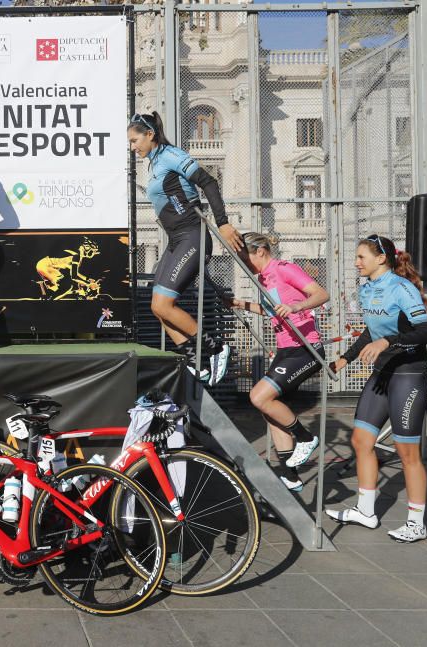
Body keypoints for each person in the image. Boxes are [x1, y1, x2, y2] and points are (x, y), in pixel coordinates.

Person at [326, 234, 427, 543]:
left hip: (407, 376)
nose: (356, 262)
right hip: (381, 374)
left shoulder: (402, 289)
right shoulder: (367, 288)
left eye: (361, 257)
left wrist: (388, 341)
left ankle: (416, 523)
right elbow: (371, 333)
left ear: (380, 259)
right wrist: (343, 360)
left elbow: (425, 332)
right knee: (361, 440)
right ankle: (366, 510)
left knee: (407, 451)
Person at [127, 112, 243, 385]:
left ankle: (216, 347)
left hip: (193, 234)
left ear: (150, 135)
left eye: (135, 141)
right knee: (158, 307)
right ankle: (195, 359)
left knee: (165, 305)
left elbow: (209, 182)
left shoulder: (170, 155)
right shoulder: (154, 163)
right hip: (176, 239)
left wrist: (223, 223)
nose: (133, 147)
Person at [225, 232, 328, 492]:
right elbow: (270, 310)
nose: (244, 263)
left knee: (259, 397)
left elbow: (321, 294)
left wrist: (296, 307)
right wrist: (239, 303)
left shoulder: (284, 269)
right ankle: (290, 475)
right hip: (285, 350)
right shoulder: (263, 278)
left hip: (305, 349)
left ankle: (305, 438)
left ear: (260, 251)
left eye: (245, 256)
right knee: (270, 409)